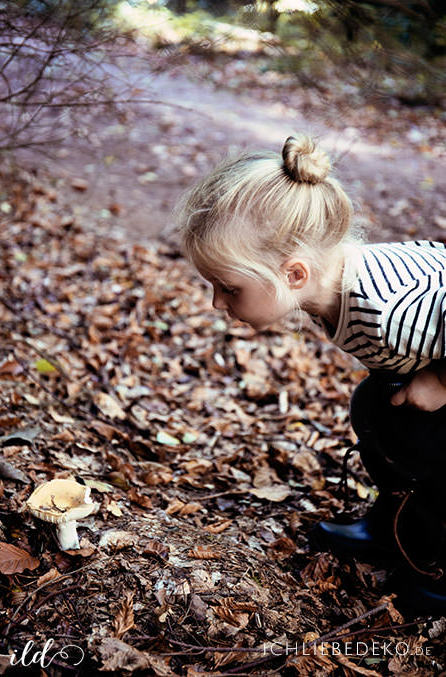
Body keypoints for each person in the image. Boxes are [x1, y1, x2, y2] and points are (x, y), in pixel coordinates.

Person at [177, 133, 446, 612]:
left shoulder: (391, 309)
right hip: (420, 363)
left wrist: (441, 382)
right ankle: (397, 525)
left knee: (435, 452)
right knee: (374, 411)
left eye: (229, 287)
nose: (217, 302)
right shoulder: (328, 286)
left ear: (294, 274)